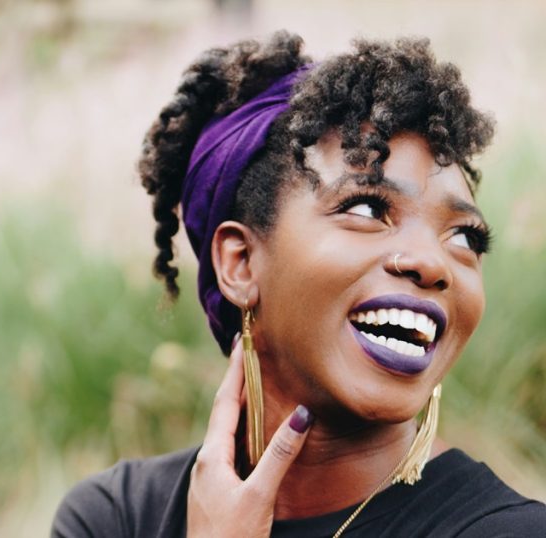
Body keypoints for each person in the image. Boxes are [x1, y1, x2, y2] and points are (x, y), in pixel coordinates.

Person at [51, 31, 546, 537]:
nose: (432, 262)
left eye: (464, 236)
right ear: (241, 264)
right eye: (367, 208)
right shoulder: (117, 517)